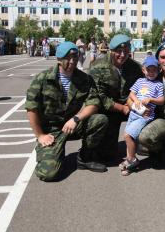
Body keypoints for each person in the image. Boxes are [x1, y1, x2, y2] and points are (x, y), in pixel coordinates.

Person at [25, 41, 108, 181]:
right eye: (67, 57)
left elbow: (94, 103)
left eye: (75, 57)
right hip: (51, 131)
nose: (72, 61)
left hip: (72, 125)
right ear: (58, 59)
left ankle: (84, 157)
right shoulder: (42, 79)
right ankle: (54, 152)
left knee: (100, 120)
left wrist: (76, 119)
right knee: (48, 174)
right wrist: (40, 135)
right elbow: (31, 109)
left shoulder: (84, 78)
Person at [89, 34, 143, 158]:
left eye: (126, 51)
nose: (123, 55)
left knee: (149, 114)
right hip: (109, 110)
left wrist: (135, 103)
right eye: (119, 51)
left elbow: (144, 86)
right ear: (111, 51)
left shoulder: (135, 67)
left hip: (130, 106)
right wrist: (121, 108)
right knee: (109, 155)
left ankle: (147, 142)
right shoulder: (97, 67)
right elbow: (98, 96)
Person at [120, 56, 164, 176]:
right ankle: (129, 158)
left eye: (154, 70)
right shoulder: (140, 81)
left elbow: (162, 100)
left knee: (128, 135)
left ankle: (132, 160)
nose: (151, 73)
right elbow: (132, 93)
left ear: (158, 70)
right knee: (130, 137)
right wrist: (136, 101)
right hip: (134, 114)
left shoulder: (158, 85)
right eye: (148, 70)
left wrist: (151, 99)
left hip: (144, 117)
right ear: (144, 70)